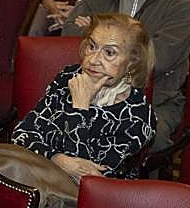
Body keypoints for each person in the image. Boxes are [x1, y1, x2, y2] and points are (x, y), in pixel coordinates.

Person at [62, 0, 190, 148]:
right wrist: (137, 46)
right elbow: (68, 38)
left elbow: (161, 58)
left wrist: (95, 35)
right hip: (89, 91)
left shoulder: (181, 4)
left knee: (144, 137)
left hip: (152, 98)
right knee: (52, 125)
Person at [15, 12, 155, 179]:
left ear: (132, 62)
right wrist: (58, 159)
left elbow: (88, 181)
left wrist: (80, 108)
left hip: (91, 201)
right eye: (92, 46)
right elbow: (22, 133)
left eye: (109, 53)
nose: (94, 60)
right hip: (36, 178)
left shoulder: (138, 117)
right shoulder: (69, 77)